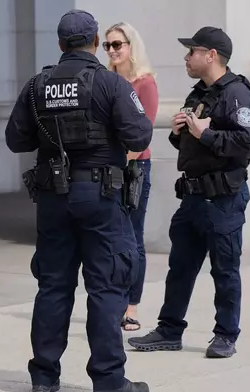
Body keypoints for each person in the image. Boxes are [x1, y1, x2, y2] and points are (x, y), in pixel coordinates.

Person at [5, 9, 153, 392]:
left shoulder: (38, 85)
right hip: (101, 196)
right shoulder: (109, 84)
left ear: (59, 44)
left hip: (54, 198)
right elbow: (139, 136)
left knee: (53, 286)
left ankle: (43, 379)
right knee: (105, 288)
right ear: (93, 43)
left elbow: (16, 140)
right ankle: (109, 381)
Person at [127, 26, 250, 359]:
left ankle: (226, 335)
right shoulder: (199, 94)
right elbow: (190, 143)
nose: (187, 58)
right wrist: (178, 134)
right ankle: (169, 329)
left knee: (225, 270)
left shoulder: (236, 93)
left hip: (223, 198)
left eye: (192, 52)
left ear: (211, 55)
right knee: (181, 267)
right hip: (192, 196)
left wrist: (206, 135)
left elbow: (249, 140)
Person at [104, 22, 158, 332]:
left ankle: (131, 306)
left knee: (133, 238)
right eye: (108, 45)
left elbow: (143, 136)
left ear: (131, 46)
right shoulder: (108, 82)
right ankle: (114, 301)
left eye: (117, 44)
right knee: (112, 239)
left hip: (134, 169)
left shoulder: (144, 84)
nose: (112, 51)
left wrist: (118, 163)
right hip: (110, 168)